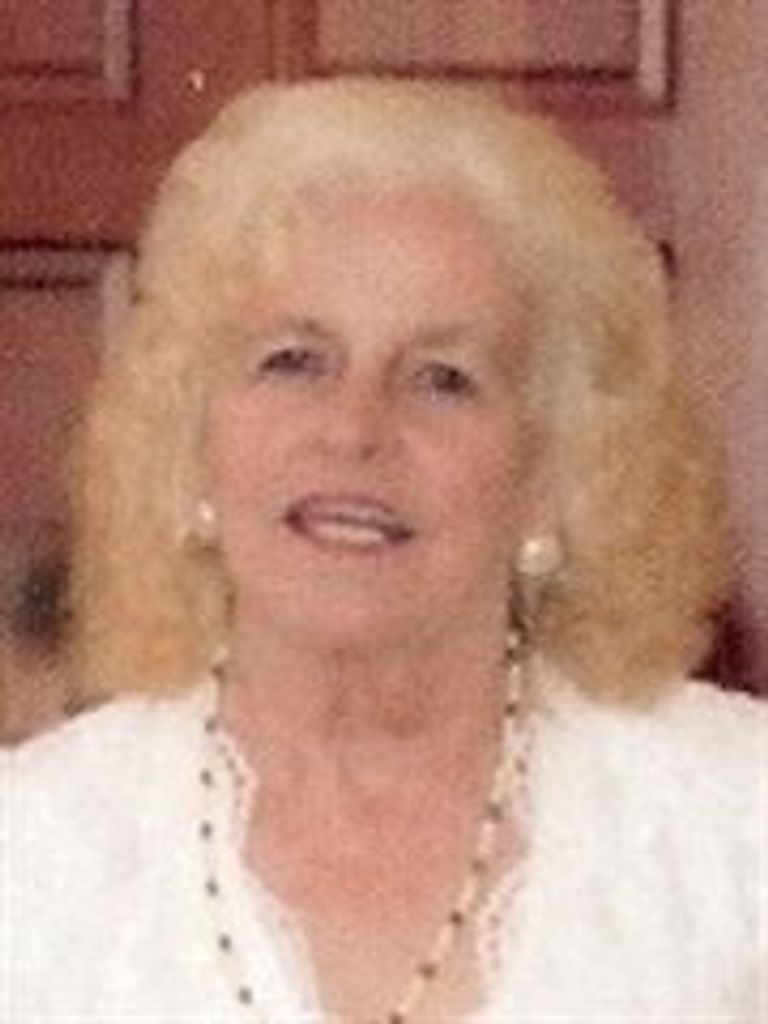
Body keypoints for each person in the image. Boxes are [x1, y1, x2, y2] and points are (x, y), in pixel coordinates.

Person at [2, 78, 765, 1022]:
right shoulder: (31, 862)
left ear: (554, 473)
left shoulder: (738, 831)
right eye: (294, 361)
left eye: (443, 379)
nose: (354, 429)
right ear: (190, 442)